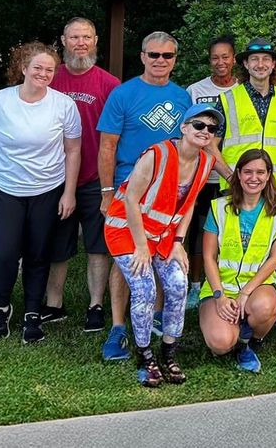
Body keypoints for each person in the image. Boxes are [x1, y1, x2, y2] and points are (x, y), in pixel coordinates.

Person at [0, 42, 81, 343]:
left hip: (48, 189)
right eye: (37, 68)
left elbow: (73, 151)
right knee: (5, 253)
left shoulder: (63, 105)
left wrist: (69, 192)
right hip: (6, 188)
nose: (43, 74)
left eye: (49, 70)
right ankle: (0, 308)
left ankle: (32, 314)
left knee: (38, 253)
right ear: (23, 68)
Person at [105, 104, 218, 387]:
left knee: (178, 284)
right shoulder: (158, 154)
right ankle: (144, 357)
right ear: (184, 127)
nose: (205, 131)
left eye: (212, 128)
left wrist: (178, 241)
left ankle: (169, 353)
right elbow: (131, 199)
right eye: (199, 125)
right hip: (127, 230)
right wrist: (142, 246)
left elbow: (189, 202)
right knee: (144, 288)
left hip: (165, 234)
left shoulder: (205, 162)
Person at [97, 31, 192, 360]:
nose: (160, 61)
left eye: (167, 56)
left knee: (162, 255)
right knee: (126, 258)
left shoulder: (183, 98)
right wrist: (107, 192)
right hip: (128, 188)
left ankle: (153, 318)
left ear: (175, 60)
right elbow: (107, 145)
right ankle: (118, 326)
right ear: (142, 56)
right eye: (154, 55)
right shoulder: (123, 94)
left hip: (168, 192)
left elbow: (195, 145)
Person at [209, 38, 276, 333]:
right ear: (245, 65)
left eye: (266, 59)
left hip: (275, 189)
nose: (261, 64)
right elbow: (211, 145)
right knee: (235, 247)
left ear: (274, 64)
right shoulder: (227, 100)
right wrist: (229, 176)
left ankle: (274, 308)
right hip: (236, 188)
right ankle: (230, 303)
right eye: (254, 60)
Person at [44, 18, 119, 333]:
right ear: (63, 40)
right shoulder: (48, 78)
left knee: (98, 246)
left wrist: (110, 185)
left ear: (96, 40)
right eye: (74, 37)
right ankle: (53, 304)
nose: (80, 43)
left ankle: (96, 306)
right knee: (56, 245)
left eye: (86, 37)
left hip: (95, 180)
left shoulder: (110, 85)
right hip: (52, 179)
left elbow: (117, 137)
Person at [197, 149, 276, 373]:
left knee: (265, 307)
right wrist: (219, 296)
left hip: (257, 286)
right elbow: (208, 257)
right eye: (248, 171)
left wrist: (246, 292)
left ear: (269, 175)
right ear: (238, 174)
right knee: (220, 344)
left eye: (260, 172)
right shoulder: (219, 207)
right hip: (221, 286)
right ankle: (233, 329)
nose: (254, 177)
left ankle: (248, 344)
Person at [184, 35, 240, 308]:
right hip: (202, 176)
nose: (220, 62)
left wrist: (233, 174)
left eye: (225, 56)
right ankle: (195, 285)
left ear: (234, 59)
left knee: (228, 233)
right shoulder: (195, 90)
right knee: (198, 230)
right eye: (215, 57)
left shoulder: (243, 91)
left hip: (234, 178)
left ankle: (225, 281)